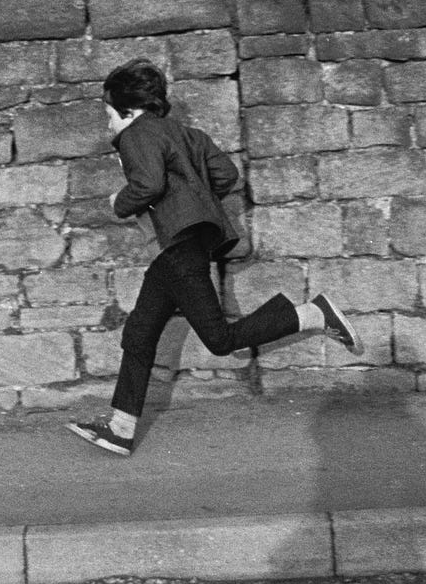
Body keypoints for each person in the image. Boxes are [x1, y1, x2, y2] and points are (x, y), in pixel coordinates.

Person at [69, 58, 361, 457]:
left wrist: (119, 201)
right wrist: (193, 201)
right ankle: (121, 427)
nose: (108, 126)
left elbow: (148, 185)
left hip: (176, 248)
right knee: (139, 332)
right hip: (180, 249)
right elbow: (226, 175)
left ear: (129, 110)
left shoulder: (137, 134)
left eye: (109, 116)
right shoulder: (189, 135)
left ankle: (313, 314)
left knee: (221, 340)